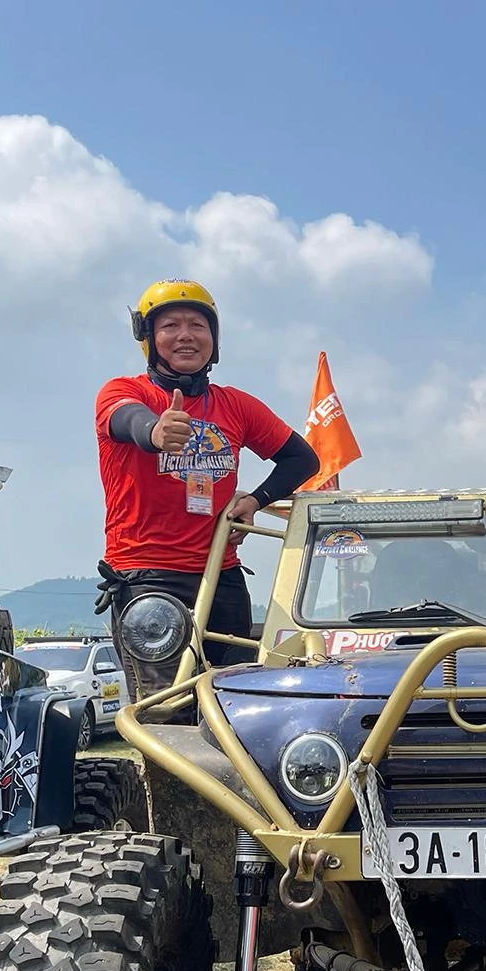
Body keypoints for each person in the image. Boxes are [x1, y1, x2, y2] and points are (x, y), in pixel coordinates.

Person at [95, 279, 319, 709]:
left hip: (222, 573)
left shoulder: (235, 405)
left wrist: (256, 499)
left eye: (198, 324)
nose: (185, 335)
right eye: (170, 325)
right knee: (164, 709)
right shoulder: (125, 391)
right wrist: (155, 431)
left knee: (239, 705)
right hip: (148, 578)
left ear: (214, 339)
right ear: (148, 338)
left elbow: (302, 460)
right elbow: (128, 421)